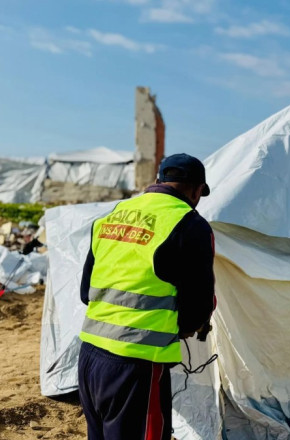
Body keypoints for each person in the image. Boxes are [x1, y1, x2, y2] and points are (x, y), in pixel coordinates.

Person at [77, 153, 216, 440]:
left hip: (90, 356)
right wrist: (188, 327)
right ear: (196, 189)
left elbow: (84, 291)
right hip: (136, 365)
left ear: (158, 180)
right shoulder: (190, 224)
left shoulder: (114, 214)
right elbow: (200, 304)